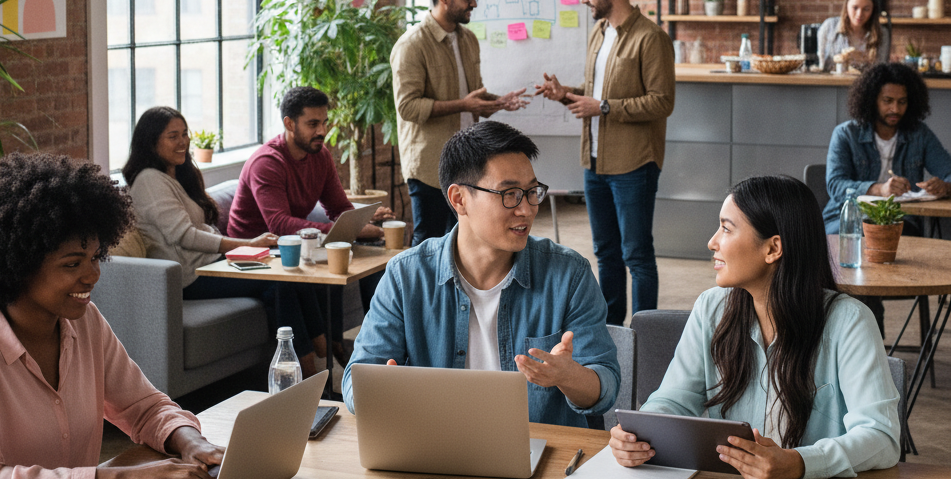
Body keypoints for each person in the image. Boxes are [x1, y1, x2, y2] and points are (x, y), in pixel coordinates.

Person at [0, 153, 223, 479]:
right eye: (72, 264)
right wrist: (118, 478)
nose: (93, 274)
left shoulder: (85, 323)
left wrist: (194, 444)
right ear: (17, 265)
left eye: (95, 257)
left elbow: (144, 407)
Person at [609, 175, 901, 479]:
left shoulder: (850, 321)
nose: (712, 242)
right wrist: (639, 433)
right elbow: (675, 400)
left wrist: (799, 463)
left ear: (773, 248)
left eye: (726, 228)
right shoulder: (712, 307)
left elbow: (881, 436)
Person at [342, 121, 620, 427]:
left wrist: (569, 376)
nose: (526, 209)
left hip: (540, 455)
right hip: (437, 449)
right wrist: (381, 391)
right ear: (459, 199)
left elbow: (604, 388)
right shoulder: (406, 275)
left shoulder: (569, 274)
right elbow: (356, 379)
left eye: (532, 192)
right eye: (510, 193)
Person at [125, 106, 324, 379]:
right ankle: (309, 369)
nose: (183, 142)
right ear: (150, 141)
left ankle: (322, 350)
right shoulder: (149, 181)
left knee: (291, 271)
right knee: (280, 282)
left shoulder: (175, 175)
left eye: (185, 134)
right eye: (173, 136)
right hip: (190, 277)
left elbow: (200, 226)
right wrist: (248, 244)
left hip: (212, 264)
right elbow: (185, 235)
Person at [535, 0, 674, 326]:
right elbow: (597, 95)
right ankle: (613, 332)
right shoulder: (599, 33)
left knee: (637, 255)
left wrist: (606, 108)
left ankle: (646, 333)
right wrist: (565, 93)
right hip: (594, 162)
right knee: (605, 253)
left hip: (633, 165)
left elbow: (662, 102)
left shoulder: (651, 38)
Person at [227, 86, 394, 352]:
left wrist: (362, 222)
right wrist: (343, 230)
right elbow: (279, 224)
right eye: (313, 124)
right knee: (326, 258)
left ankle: (370, 345)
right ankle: (327, 351)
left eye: (325, 122)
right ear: (289, 123)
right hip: (255, 251)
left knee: (353, 255)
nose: (322, 131)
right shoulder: (267, 162)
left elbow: (338, 206)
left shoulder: (320, 155)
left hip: (289, 247)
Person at [391, 0, 527, 246]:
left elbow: (470, 95)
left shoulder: (468, 39)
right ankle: (425, 294)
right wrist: (465, 105)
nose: (473, 4)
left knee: (469, 241)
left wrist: (498, 102)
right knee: (429, 241)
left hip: (469, 162)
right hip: (429, 165)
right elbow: (408, 108)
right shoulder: (411, 45)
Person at [823, 62, 951, 333]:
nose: (895, 109)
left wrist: (944, 186)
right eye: (888, 101)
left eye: (902, 102)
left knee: (874, 256)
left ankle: (864, 338)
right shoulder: (846, 134)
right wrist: (879, 189)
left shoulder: (919, 134)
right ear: (872, 100)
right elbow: (835, 185)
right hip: (846, 222)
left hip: (899, 223)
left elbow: (949, 172)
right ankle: (867, 333)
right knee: (859, 261)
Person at [816, 0, 891, 72]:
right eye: (855, 8)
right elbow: (820, 67)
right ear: (846, 6)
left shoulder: (882, 34)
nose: (859, 14)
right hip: (831, 85)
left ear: (873, 10)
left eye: (866, 9)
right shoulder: (829, 27)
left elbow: (881, 72)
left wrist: (863, 59)